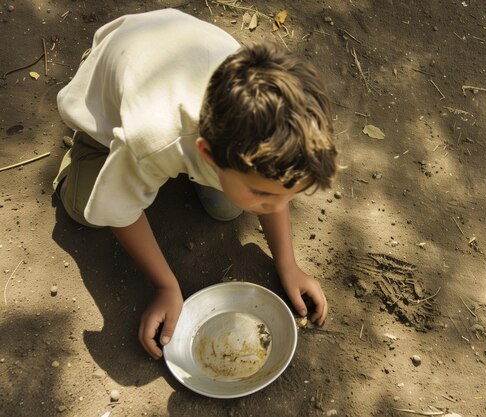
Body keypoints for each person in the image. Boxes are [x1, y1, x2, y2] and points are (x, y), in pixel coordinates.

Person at [53, 9, 337, 359]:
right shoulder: (152, 137)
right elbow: (120, 212)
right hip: (114, 82)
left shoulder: (260, 115)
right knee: (87, 209)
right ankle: (80, 158)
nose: (277, 205)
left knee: (229, 207)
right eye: (264, 192)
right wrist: (165, 285)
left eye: (286, 195)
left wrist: (288, 263)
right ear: (209, 153)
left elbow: (277, 185)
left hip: (169, 56)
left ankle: (188, 176)